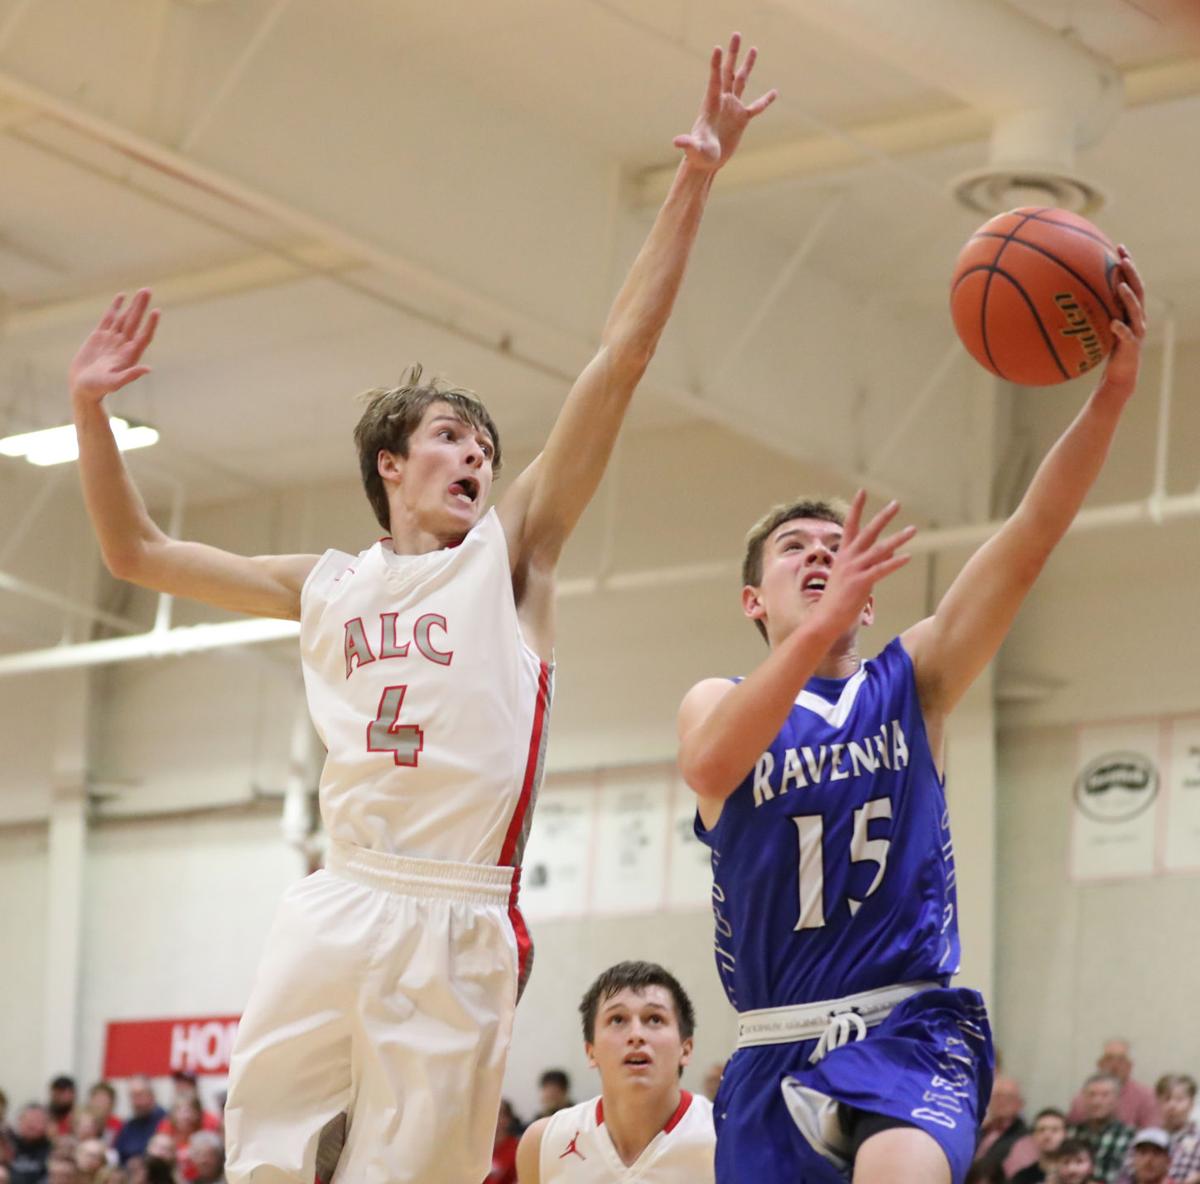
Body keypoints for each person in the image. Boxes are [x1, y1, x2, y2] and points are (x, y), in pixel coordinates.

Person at [68, 33, 775, 1184]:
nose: (478, 453)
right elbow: (134, 550)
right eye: (452, 434)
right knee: (262, 1155)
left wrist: (694, 175)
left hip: (458, 910)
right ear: (390, 464)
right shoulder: (323, 581)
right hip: (340, 890)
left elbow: (620, 358)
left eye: (486, 442)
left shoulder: (511, 554)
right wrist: (91, 413)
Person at [675, 250, 1146, 1184]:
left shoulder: (913, 677)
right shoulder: (716, 699)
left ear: (872, 596)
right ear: (752, 601)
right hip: (773, 1047)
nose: (820, 557)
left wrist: (1111, 398)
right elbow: (713, 766)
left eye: (837, 548)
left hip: (909, 1028)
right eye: (795, 550)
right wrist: (815, 632)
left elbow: (1028, 538)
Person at [516, 961, 714, 1182]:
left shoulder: (724, 1138)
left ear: (685, 1049)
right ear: (591, 1051)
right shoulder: (543, 1143)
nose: (636, 1035)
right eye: (617, 1019)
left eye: (655, 1019)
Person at [1118, 1078, 1200, 1184]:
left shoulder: (1197, 1140)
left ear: (1191, 1104)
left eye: (1179, 1100)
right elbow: (1127, 1171)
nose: (1172, 1106)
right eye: (1167, 1099)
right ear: (1158, 1103)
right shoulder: (1145, 1137)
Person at [1069, 1044, 1161, 1132]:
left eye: (1121, 1060)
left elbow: (1151, 1133)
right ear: (1100, 1064)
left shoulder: (1147, 1096)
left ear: (1129, 1066)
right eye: (1109, 1059)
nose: (1114, 1065)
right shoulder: (1082, 1098)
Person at [1070, 1075, 1136, 1184]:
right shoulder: (1071, 1134)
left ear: (1117, 1100)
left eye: (1105, 1095)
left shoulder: (1131, 1136)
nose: (1096, 1101)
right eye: (1091, 1095)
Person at [973, 1076, 1029, 1176]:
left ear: (1020, 1103)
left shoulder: (1025, 1139)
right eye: (997, 1096)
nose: (1001, 1102)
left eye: (1008, 1097)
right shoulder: (978, 1130)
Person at [113, 1081, 166, 1166]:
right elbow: (118, 1153)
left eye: (140, 1095)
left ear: (152, 1095)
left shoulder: (165, 1121)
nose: (136, 1102)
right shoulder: (128, 1126)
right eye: (132, 1096)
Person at [1011, 1108, 1068, 1184]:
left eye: (1054, 1130)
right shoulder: (1021, 1178)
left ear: (1065, 1135)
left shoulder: (1077, 1174)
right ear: (1033, 1136)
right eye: (1041, 1130)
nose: (1047, 1135)